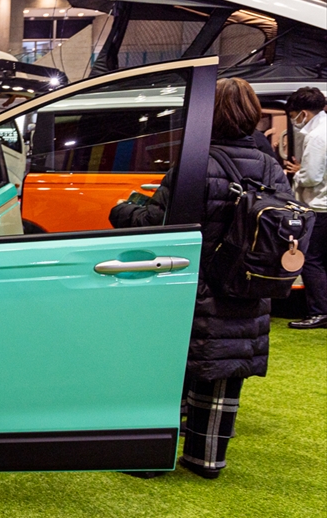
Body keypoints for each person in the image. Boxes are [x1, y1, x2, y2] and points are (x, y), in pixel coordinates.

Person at [110, 78, 294, 479]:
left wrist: (122, 209)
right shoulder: (271, 166)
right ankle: (207, 458)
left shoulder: (195, 164)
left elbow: (155, 223)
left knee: (170, 367)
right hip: (246, 285)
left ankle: (152, 459)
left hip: (190, 283)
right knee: (223, 369)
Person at [283, 87, 327, 329]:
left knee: (311, 260)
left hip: (319, 206)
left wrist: (297, 174)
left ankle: (319, 312)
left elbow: (311, 178)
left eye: (293, 116)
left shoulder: (317, 136)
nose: (294, 121)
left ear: (303, 113)